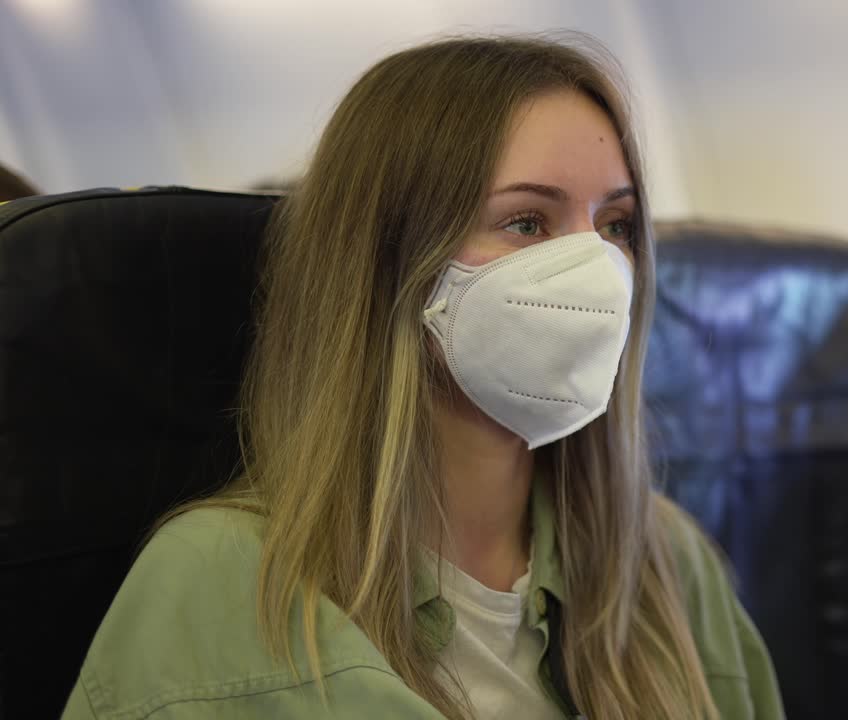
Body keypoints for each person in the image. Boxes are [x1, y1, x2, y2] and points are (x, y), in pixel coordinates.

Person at [62, 34, 783, 720]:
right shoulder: (217, 584)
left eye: (616, 225)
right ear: (389, 262)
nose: (596, 270)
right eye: (527, 222)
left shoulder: (660, 560)